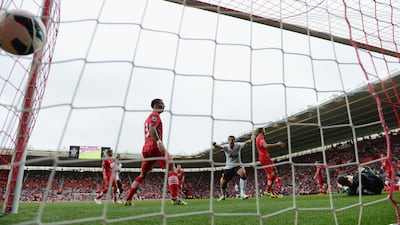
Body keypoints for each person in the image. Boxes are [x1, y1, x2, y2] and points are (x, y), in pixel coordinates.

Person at [123, 98, 187, 206]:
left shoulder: (147, 119)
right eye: (162, 104)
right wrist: (158, 141)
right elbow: (152, 128)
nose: (164, 106)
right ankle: (175, 198)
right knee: (171, 168)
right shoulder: (155, 115)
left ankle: (128, 200)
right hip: (154, 147)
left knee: (143, 175)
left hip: (146, 149)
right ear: (156, 105)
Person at [212, 135, 252, 201]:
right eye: (230, 140)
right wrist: (214, 144)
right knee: (223, 183)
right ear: (228, 141)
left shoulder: (238, 145)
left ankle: (242, 193)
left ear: (234, 140)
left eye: (232, 140)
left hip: (238, 165)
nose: (231, 141)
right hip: (229, 167)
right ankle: (223, 196)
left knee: (243, 174)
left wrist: (252, 139)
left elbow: (246, 143)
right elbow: (219, 147)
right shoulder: (226, 147)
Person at [255, 127, 286, 198]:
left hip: (262, 157)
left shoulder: (258, 138)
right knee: (274, 171)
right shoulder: (260, 137)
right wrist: (277, 144)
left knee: (269, 175)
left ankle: (271, 192)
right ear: (262, 131)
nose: (265, 131)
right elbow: (265, 145)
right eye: (264, 130)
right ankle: (267, 190)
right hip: (265, 157)